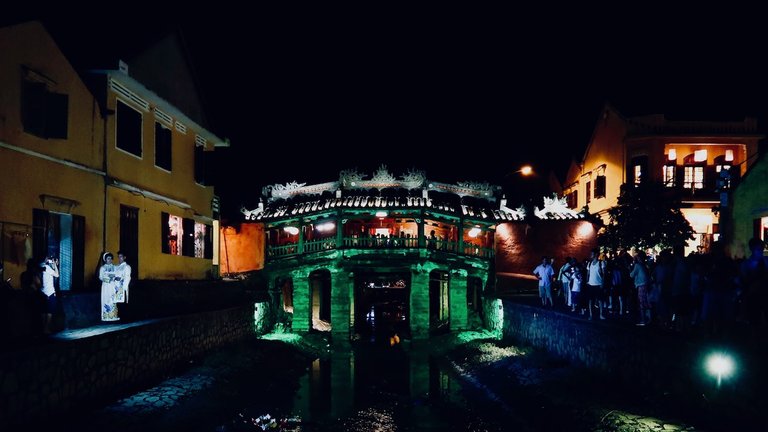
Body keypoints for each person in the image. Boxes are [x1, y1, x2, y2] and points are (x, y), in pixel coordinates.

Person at [40, 256, 59, 334]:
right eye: (47, 258)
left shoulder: (39, 266)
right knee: (49, 311)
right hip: (49, 292)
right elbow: (57, 275)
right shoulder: (46, 267)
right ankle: (46, 329)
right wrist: (55, 265)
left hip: (41, 293)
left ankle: (43, 329)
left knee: (43, 311)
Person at [99, 252, 119, 322]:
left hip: (112, 286)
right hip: (106, 286)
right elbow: (101, 277)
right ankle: (106, 316)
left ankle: (113, 316)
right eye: (108, 258)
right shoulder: (103, 268)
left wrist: (114, 279)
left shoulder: (115, 267)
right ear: (105, 259)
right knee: (106, 298)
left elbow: (117, 275)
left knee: (112, 299)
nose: (109, 260)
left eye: (110, 258)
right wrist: (108, 279)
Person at [114, 251, 132, 319]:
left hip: (122, 286)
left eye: (121, 257)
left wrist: (124, 287)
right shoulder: (116, 266)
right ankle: (119, 316)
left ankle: (124, 318)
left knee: (123, 302)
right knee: (117, 302)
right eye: (118, 257)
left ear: (124, 257)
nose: (119, 258)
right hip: (116, 287)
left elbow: (127, 277)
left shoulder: (126, 266)